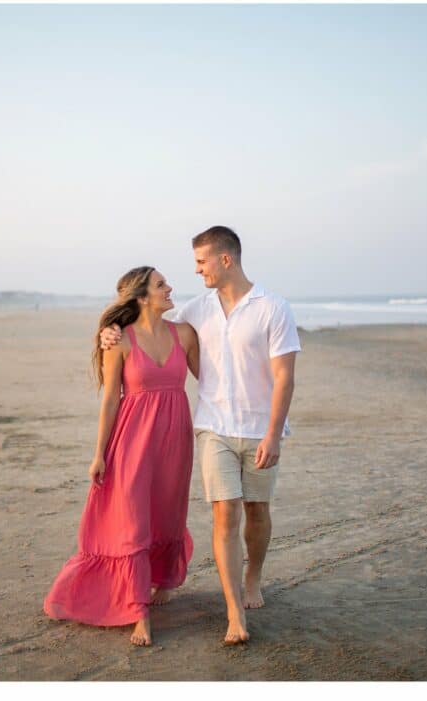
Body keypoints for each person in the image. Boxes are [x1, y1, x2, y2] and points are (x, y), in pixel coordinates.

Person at [100, 226, 300, 645]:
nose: (195, 271)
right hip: (214, 429)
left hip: (260, 429)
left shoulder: (273, 308)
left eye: (201, 262)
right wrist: (110, 332)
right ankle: (234, 615)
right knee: (225, 513)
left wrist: (274, 435)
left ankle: (253, 576)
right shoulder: (196, 309)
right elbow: (150, 324)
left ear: (225, 260)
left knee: (257, 512)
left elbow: (285, 377)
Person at [44, 266, 200, 646]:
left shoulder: (185, 334)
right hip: (132, 440)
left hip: (175, 439)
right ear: (142, 297)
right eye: (161, 285)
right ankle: (137, 611)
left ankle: (161, 580)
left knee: (165, 510)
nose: (170, 288)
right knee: (131, 520)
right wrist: (99, 454)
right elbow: (111, 398)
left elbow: (213, 380)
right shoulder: (120, 341)